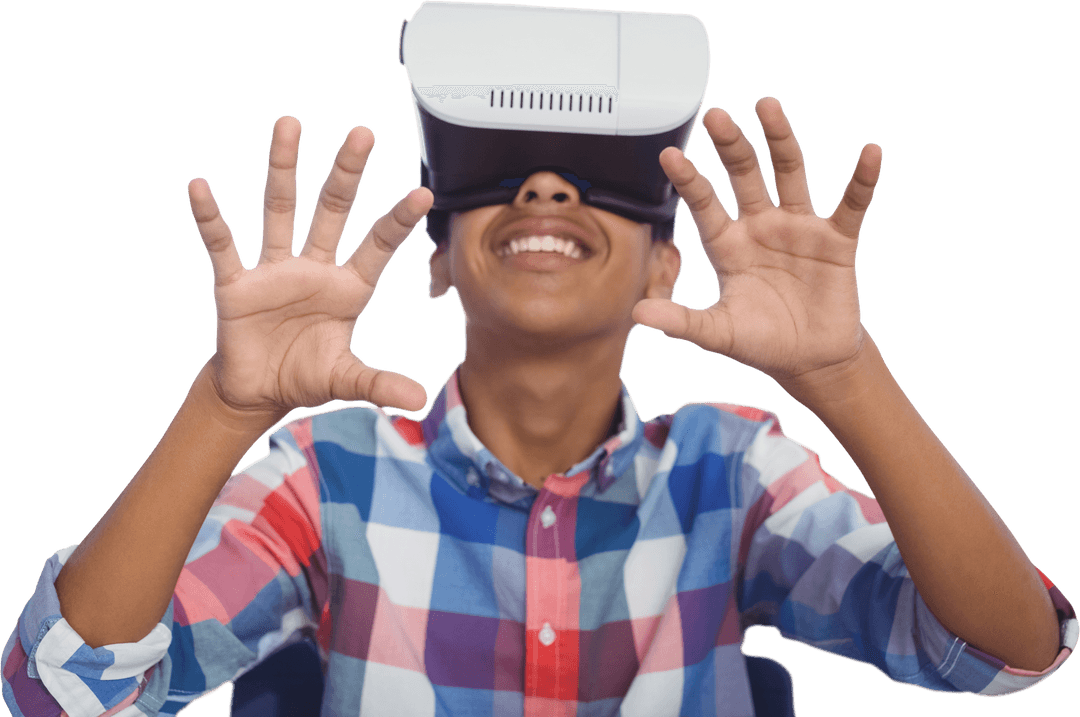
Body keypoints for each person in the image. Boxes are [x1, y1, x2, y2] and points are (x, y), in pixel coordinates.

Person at [1, 96, 1075, 717]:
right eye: (500, 172)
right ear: (439, 261)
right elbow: (66, 691)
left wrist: (846, 377)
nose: (549, 190)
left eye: (600, 176)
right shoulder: (328, 477)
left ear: (666, 261)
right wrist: (222, 405)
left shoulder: (730, 472)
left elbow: (1000, 652)